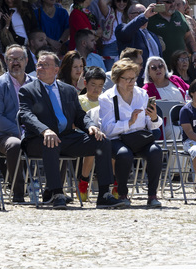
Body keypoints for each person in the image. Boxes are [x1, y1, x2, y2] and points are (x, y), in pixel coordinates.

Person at [17, 51, 123, 209]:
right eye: (39, 64)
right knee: (50, 142)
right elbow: (26, 115)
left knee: (102, 141)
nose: (40, 68)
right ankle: (57, 193)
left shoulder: (68, 90)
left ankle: (104, 194)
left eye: (45, 65)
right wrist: (45, 130)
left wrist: (91, 126)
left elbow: (79, 115)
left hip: (67, 137)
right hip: (38, 139)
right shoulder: (27, 90)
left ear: (56, 70)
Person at [99, 59, 163, 208]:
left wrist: (154, 117)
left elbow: (151, 125)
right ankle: (122, 194)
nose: (131, 82)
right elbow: (106, 129)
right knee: (123, 154)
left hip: (139, 138)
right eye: (126, 79)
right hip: (117, 138)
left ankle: (152, 195)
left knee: (155, 151)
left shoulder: (142, 94)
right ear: (116, 79)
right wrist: (128, 123)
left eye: (133, 78)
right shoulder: (107, 98)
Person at [0, 45, 31, 203]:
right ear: (6, 61)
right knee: (15, 145)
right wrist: (20, 132)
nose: (15, 63)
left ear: (26, 61)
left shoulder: (35, 83)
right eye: (11, 59)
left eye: (19, 59)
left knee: (55, 140)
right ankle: (18, 192)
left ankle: (54, 191)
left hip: (34, 133)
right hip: (5, 135)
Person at [146, 0, 196, 66]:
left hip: (180, 65)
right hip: (160, 66)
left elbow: (188, 36)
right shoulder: (151, 18)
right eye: (168, 2)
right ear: (159, 3)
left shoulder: (178, 15)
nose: (172, 4)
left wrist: (194, 52)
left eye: (173, 1)